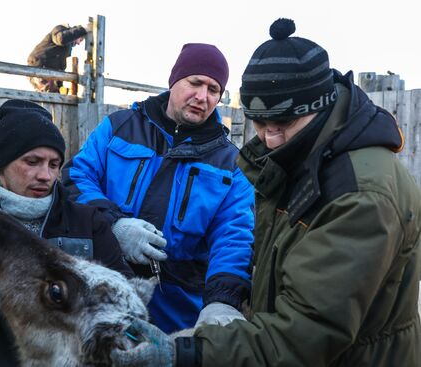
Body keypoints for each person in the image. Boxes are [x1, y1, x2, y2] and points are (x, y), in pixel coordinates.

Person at [110, 18, 421, 367]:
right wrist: (231, 300)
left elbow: (305, 334)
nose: (270, 138)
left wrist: (188, 353)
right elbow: (255, 248)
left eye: (283, 124)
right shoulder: (295, 160)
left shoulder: (359, 196)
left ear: (317, 107)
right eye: (260, 124)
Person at [62, 43, 255, 333]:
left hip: (178, 313)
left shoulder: (230, 163)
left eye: (213, 89)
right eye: (195, 82)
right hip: (102, 294)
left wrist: (222, 302)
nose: (202, 96)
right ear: (174, 80)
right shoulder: (119, 127)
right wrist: (113, 225)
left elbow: (235, 238)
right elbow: (76, 178)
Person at [0, 99, 133, 366]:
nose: (45, 175)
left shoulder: (88, 222)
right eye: (32, 161)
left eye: (54, 164)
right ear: (2, 164)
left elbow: (125, 300)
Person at [27, 24, 87, 93]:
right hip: (39, 66)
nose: (79, 43)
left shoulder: (66, 50)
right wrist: (83, 30)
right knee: (49, 91)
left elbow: (61, 68)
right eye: (80, 40)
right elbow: (61, 39)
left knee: (54, 94)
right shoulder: (60, 29)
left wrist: (60, 86)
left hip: (49, 72)